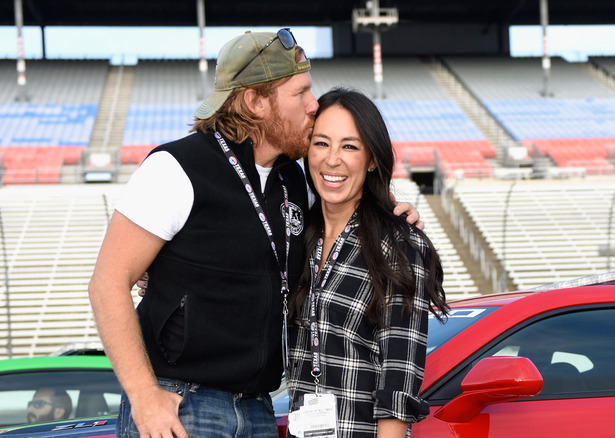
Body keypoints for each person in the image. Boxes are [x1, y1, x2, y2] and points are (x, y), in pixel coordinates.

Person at [89, 30, 421, 438]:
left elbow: (344, 206)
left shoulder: (292, 179)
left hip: (261, 410)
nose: (313, 105)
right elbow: (106, 283)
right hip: (183, 404)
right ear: (255, 101)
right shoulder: (176, 167)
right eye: (300, 92)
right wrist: (143, 395)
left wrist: (390, 211)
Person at [285, 88, 449, 438]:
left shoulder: (400, 244)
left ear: (372, 158)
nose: (332, 160)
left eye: (349, 146)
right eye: (321, 143)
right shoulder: (297, 239)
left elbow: (399, 375)